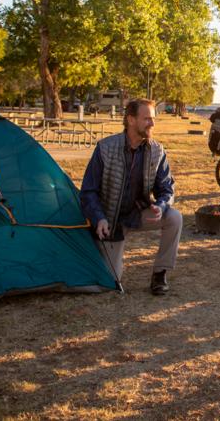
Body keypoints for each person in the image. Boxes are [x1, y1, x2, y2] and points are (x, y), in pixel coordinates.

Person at [79, 98, 183, 295]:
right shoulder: (105, 148)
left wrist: (161, 206)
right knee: (111, 281)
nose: (152, 123)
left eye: (153, 119)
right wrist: (98, 217)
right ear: (131, 120)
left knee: (174, 217)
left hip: (137, 214)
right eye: (147, 119)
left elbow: (167, 189)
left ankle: (160, 274)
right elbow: (88, 191)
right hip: (109, 222)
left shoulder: (157, 151)